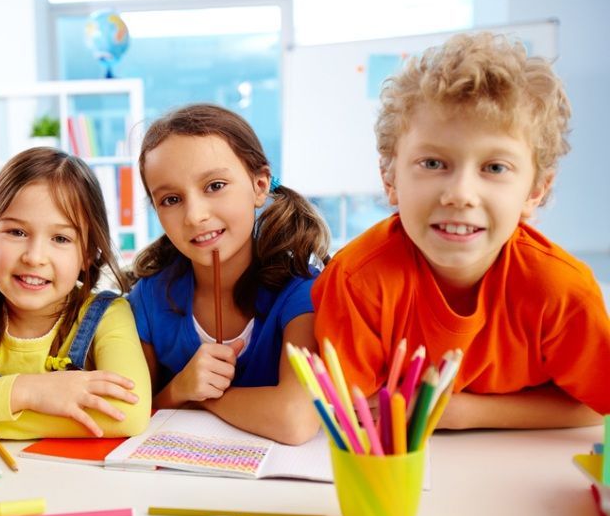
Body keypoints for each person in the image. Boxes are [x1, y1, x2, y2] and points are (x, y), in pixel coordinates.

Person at [313, 32, 610, 428]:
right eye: (433, 163)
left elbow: (598, 405)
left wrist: (465, 413)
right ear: (389, 177)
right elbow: (349, 406)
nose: (460, 194)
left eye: (495, 168)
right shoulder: (358, 280)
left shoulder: (561, 292)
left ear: (536, 190)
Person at [128, 103, 330, 445]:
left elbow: (295, 420)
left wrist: (201, 397)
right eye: (171, 199)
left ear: (260, 185)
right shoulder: (147, 300)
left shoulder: (300, 290)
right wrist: (179, 387)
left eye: (215, 185)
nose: (195, 215)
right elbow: (132, 417)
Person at [0, 147, 151, 439]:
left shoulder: (107, 315)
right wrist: (29, 390)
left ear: (87, 254)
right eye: (17, 232)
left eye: (60, 238)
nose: (35, 257)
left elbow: (128, 414)